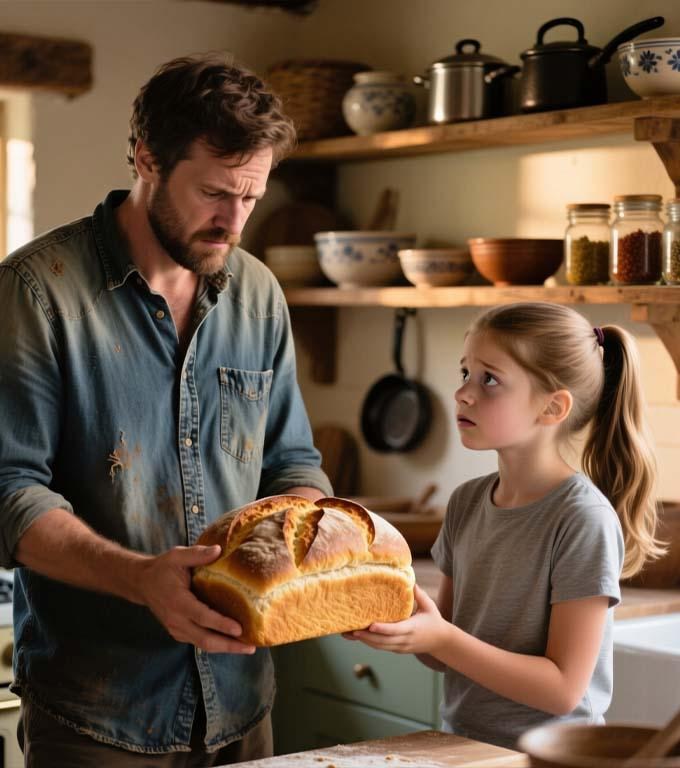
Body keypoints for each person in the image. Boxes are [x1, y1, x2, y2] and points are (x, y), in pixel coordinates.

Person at [0, 53, 332, 766]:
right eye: (214, 192)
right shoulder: (36, 293)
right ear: (145, 158)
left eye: (252, 196)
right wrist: (140, 578)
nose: (234, 220)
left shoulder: (259, 293)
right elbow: (9, 493)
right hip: (99, 711)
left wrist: (319, 543)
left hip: (244, 701)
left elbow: (290, 459)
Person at [347, 302, 664, 750]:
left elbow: (562, 689)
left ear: (553, 407)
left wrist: (442, 638)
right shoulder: (465, 503)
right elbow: (445, 651)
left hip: (551, 757)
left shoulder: (581, 519)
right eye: (464, 374)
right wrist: (400, 626)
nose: (463, 393)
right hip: (465, 747)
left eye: (489, 379)